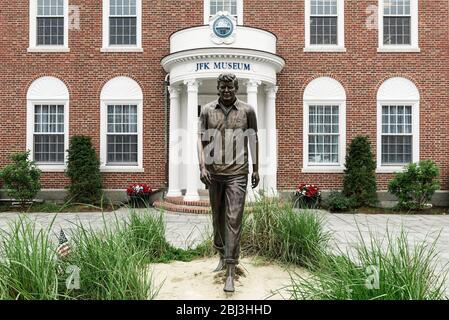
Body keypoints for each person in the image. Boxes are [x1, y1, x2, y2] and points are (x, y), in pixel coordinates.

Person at [197, 73, 259, 292]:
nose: (226, 91)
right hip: (214, 174)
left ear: (236, 88)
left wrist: (256, 169)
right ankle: (222, 255)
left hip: (237, 174)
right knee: (217, 218)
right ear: (218, 88)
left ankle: (231, 271)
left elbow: (253, 139)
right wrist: (202, 166)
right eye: (222, 87)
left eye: (230, 87)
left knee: (233, 220)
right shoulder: (206, 110)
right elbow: (200, 139)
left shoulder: (248, 111)